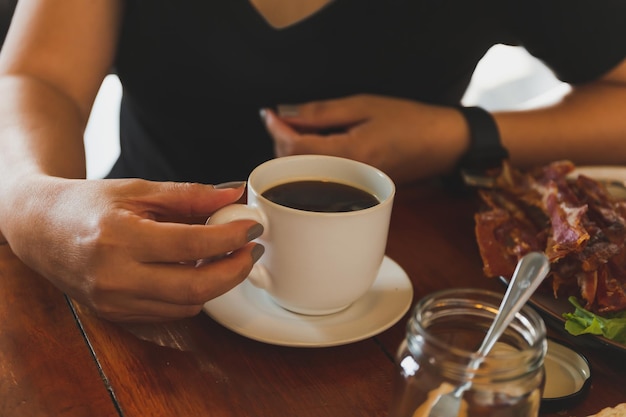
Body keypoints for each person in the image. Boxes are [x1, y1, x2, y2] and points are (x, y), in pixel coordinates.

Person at [0, 0, 625, 322]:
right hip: (127, 268)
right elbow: (37, 77)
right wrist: (33, 202)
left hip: (415, 274)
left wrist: (458, 133)